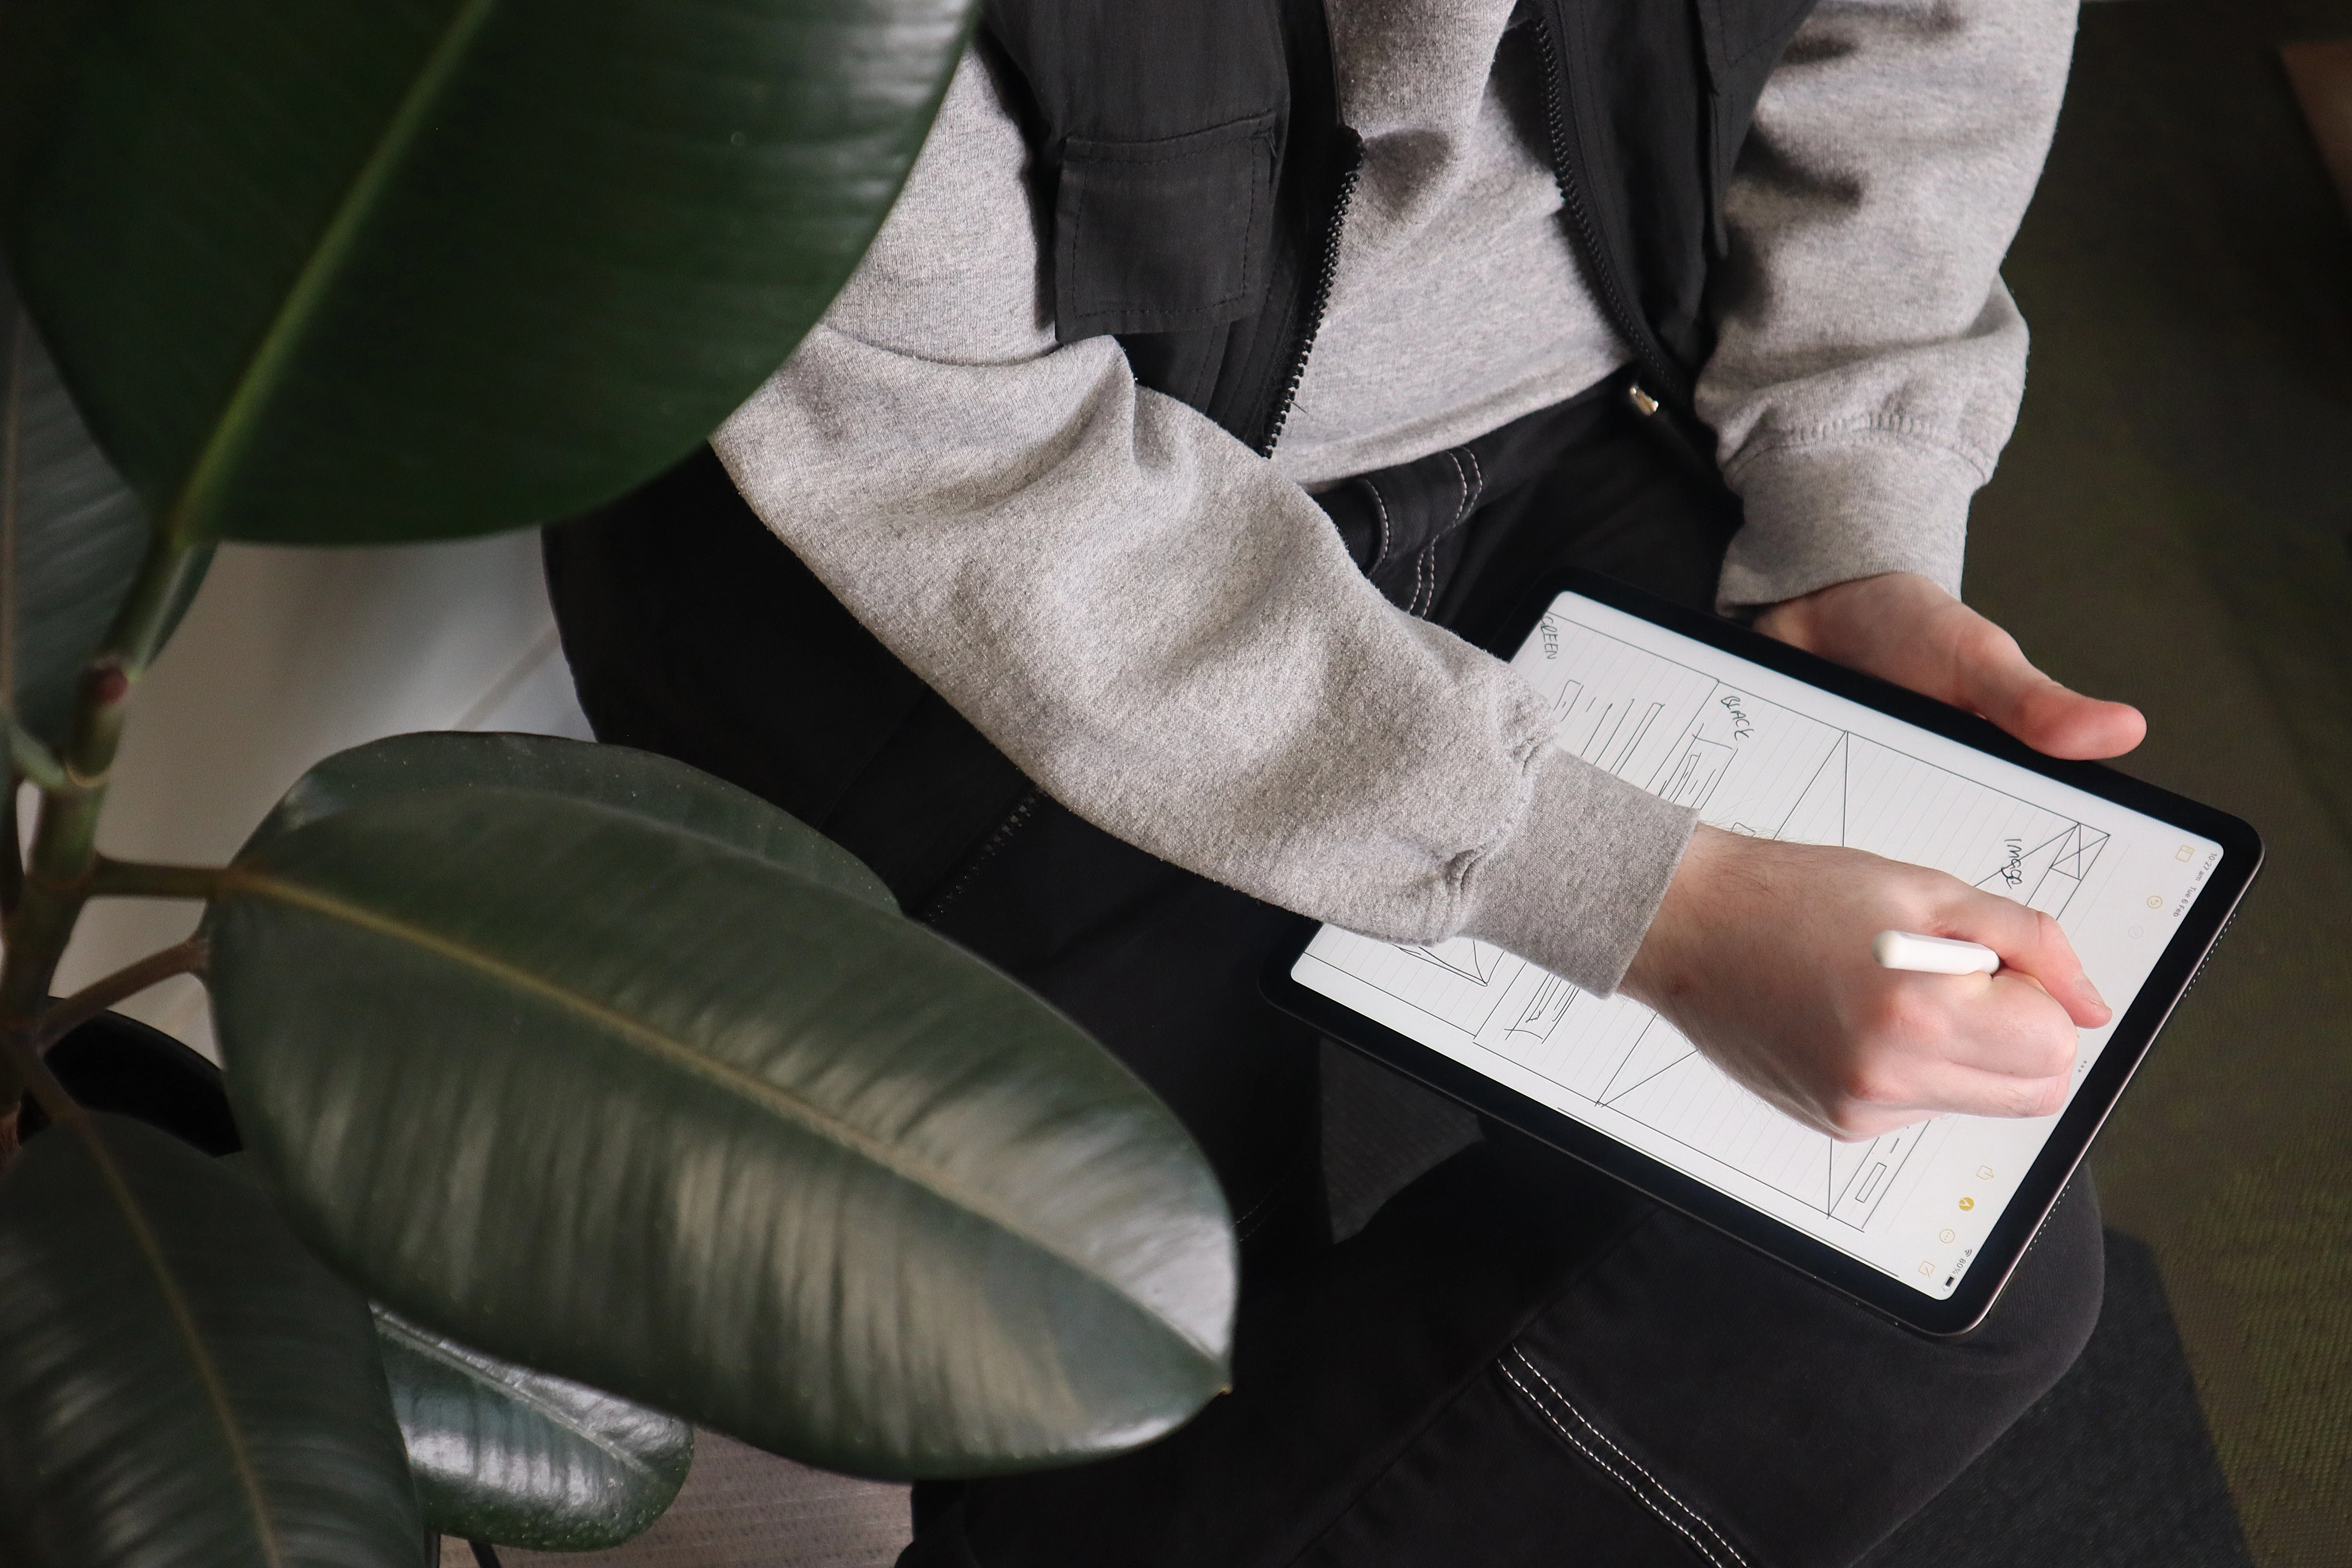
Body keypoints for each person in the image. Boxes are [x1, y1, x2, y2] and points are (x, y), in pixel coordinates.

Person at [547, 0, 2146, 1561]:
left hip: (1548, 432)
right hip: (959, 547)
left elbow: (1929, 40)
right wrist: (1641, 888)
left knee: (1936, 1273)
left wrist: (1850, 518)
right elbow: (938, 434)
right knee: (1123, 1341)